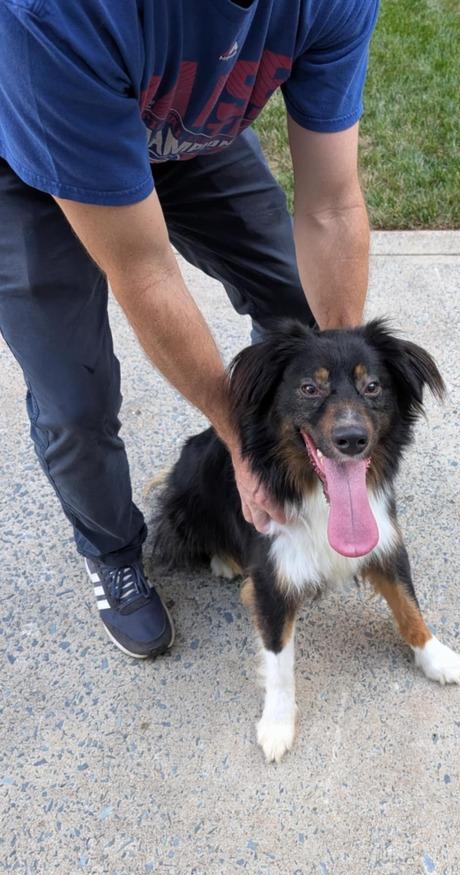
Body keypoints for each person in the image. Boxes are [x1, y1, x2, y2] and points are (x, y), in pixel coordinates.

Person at [0, 0, 379, 658]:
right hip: (30, 150)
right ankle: (113, 552)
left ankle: (284, 468)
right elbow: (144, 272)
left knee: (298, 307)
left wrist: (341, 392)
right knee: (75, 398)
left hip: (183, 131)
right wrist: (237, 437)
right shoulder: (55, 14)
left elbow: (332, 205)